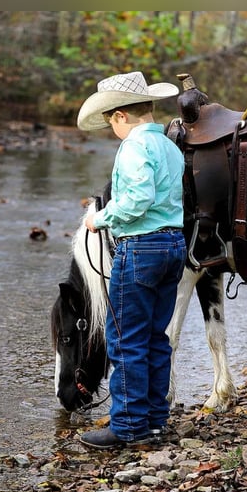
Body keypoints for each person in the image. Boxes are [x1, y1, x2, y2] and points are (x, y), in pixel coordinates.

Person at [76, 71, 187, 449]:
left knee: (125, 340)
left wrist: (100, 218)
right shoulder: (170, 147)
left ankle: (128, 427)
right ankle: (155, 422)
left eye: (111, 123)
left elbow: (138, 199)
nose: (113, 131)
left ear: (121, 116)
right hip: (174, 246)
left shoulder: (135, 147)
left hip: (141, 249)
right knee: (155, 338)